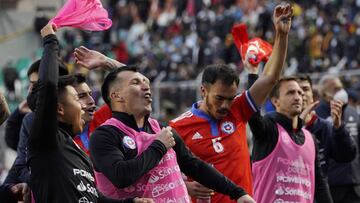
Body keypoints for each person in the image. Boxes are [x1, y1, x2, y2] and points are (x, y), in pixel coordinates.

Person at [169, 3, 292, 202]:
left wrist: (281, 34)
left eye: (230, 98)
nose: (226, 105)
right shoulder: (178, 127)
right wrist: (186, 186)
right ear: (203, 91)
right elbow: (161, 174)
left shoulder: (239, 108)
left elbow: (270, 78)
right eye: (219, 98)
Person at [89, 66, 256, 203]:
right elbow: (121, 176)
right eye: (136, 83)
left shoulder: (161, 130)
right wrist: (159, 146)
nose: (147, 86)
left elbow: (194, 166)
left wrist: (238, 193)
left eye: (146, 82)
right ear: (116, 95)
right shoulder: (105, 135)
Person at [28, 23, 152, 203]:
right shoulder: (47, 140)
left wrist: (129, 202)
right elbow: (48, 88)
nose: (86, 104)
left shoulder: (78, 152)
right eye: (77, 98)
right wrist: (50, 41)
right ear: (59, 108)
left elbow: (95, 197)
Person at [249, 77, 333, 203]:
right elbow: (253, 112)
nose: (298, 97)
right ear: (275, 101)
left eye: (300, 93)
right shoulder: (268, 130)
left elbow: (320, 186)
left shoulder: (311, 138)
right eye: (290, 92)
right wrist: (253, 74)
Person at [296, 74, 356, 175]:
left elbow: (346, 156)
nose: (301, 94)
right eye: (294, 91)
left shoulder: (324, 126)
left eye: (305, 89)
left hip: (332, 185)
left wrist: (339, 128)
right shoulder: (278, 127)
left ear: (313, 96)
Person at [4, 59, 68, 151]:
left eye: (35, 84)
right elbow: (14, 143)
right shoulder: (31, 118)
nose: (30, 90)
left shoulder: (76, 117)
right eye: (30, 84)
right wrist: (17, 113)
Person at [316, 74, 360, 203]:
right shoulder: (317, 116)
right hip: (331, 184)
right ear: (323, 93)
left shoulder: (353, 112)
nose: (341, 92)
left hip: (354, 182)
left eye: (341, 88)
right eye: (335, 89)